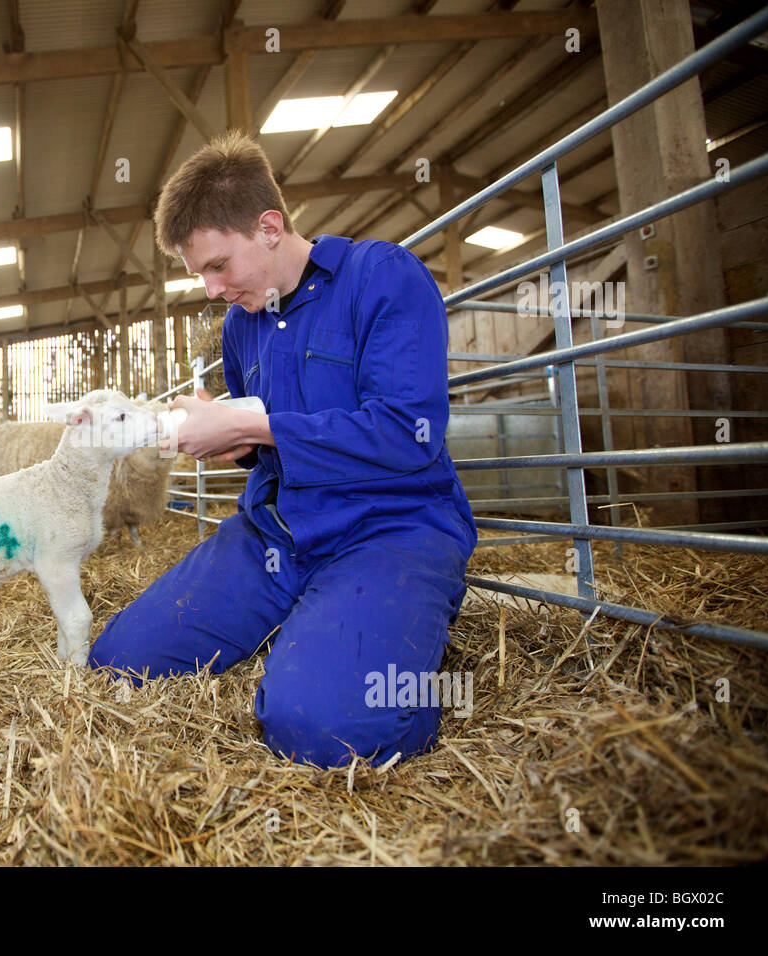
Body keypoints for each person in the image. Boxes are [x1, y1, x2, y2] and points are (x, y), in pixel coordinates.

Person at [89, 131, 478, 769]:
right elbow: (265, 448)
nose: (211, 289)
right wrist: (227, 439)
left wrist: (257, 430)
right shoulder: (242, 327)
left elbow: (408, 435)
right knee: (118, 663)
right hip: (275, 534)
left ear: (270, 227)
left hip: (388, 530)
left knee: (320, 730)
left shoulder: (382, 278)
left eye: (218, 265)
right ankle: (314, 619)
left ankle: (384, 632)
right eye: (199, 274)